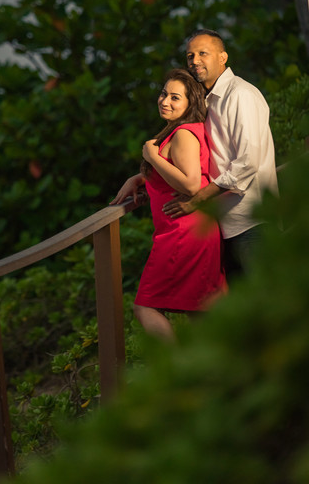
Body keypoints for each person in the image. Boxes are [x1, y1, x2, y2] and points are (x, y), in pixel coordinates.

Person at [111, 68, 227, 341]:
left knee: (145, 307)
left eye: (176, 97)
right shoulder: (182, 130)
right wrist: (141, 178)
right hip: (190, 230)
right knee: (199, 312)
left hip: (182, 233)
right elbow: (177, 172)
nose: (165, 101)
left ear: (190, 104)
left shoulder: (183, 134)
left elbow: (191, 184)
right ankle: (211, 376)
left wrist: (152, 158)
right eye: (164, 94)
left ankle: (178, 373)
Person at [162, 29, 279, 278]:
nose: (194, 61)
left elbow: (247, 163)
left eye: (203, 53)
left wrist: (197, 199)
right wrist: (139, 178)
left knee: (272, 310)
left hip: (252, 222)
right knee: (244, 312)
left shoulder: (241, 95)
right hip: (224, 226)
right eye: (190, 55)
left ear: (223, 57)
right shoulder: (205, 102)